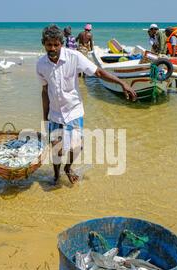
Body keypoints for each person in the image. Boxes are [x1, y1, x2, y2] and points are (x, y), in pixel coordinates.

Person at [36, 25, 137, 185]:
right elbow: (45, 91)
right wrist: (45, 119)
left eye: (56, 44)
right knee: (56, 150)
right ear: (43, 44)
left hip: (73, 111)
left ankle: (67, 168)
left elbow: (97, 72)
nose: (53, 48)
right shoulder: (41, 65)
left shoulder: (74, 56)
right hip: (55, 114)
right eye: (49, 45)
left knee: (77, 146)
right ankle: (55, 175)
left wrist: (121, 83)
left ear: (61, 43)